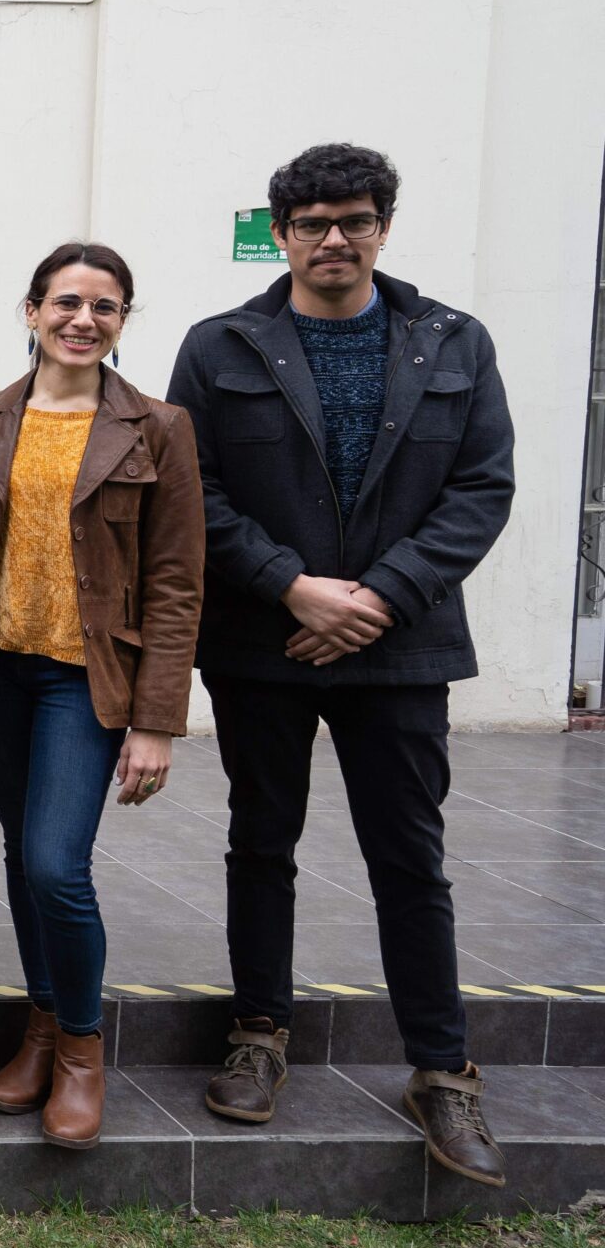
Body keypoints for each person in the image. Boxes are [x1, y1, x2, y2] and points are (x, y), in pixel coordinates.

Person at [169, 144, 514, 1187]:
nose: (333, 239)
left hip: (400, 648)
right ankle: (257, 1035)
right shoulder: (220, 344)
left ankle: (441, 1071)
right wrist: (293, 588)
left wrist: (376, 599)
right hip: (264, 643)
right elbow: (194, 489)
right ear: (279, 232)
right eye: (312, 222)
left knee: (408, 857)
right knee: (259, 840)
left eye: (353, 220)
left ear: (382, 227)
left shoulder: (451, 341)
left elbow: (480, 487)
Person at [0, 243, 204, 1151]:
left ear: (122, 321)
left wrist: (156, 719)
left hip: (86, 678)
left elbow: (176, 581)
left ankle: (80, 1046)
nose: (84, 319)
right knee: (17, 851)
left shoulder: (158, 427)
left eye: (105, 306)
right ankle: (40, 1024)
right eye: (66, 302)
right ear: (31, 311)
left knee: (53, 864)